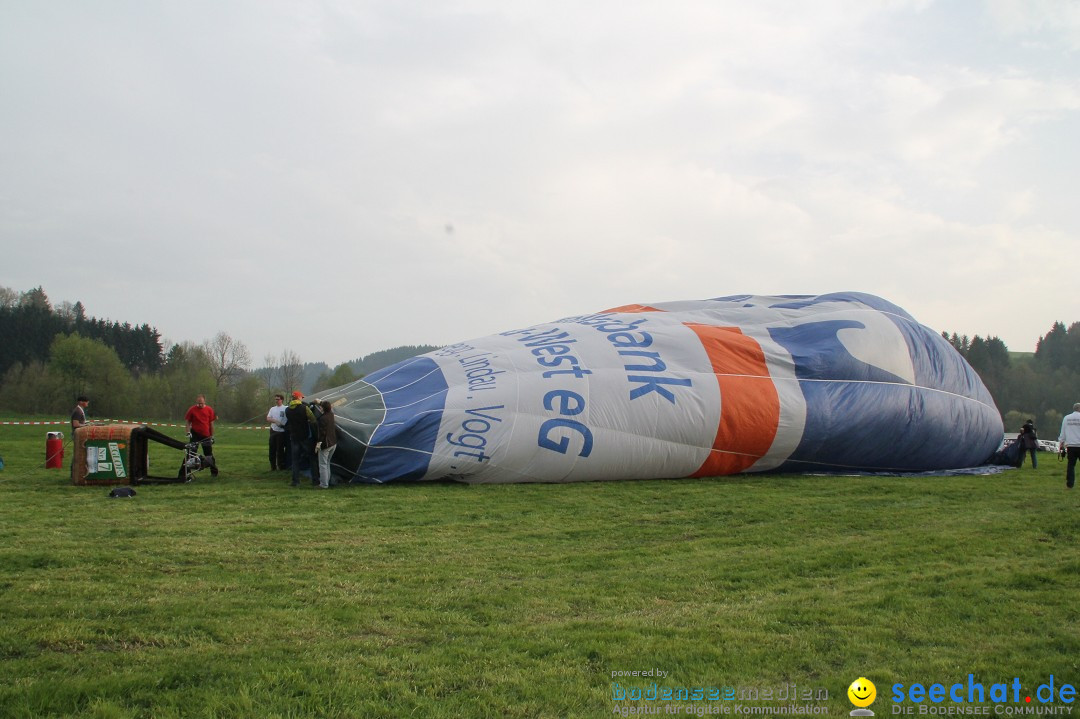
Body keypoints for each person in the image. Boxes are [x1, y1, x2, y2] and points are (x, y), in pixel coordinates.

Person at [285, 391, 318, 487]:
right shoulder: (305, 408)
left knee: (295, 460)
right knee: (312, 458)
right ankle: (315, 481)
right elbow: (313, 419)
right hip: (305, 437)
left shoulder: (287, 410)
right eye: (301, 397)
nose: (302, 399)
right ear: (299, 397)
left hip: (294, 437)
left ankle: (295, 481)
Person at [185, 394, 219, 477]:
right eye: (198, 403)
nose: (200, 405)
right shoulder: (192, 410)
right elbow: (188, 422)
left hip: (206, 435)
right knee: (191, 453)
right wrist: (188, 432)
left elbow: (211, 424)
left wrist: (212, 436)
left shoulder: (209, 410)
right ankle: (186, 473)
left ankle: (214, 472)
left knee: (209, 455)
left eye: (201, 403)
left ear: (204, 402)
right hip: (195, 434)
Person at [315, 400, 338, 489]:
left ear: (323, 408)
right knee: (327, 463)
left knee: (322, 464)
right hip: (333, 443)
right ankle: (327, 482)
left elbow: (321, 433)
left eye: (321, 407)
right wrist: (320, 402)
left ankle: (324, 484)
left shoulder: (322, 418)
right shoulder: (331, 415)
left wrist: (318, 444)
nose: (320, 408)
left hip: (326, 444)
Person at [1059, 403, 1080, 490]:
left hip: (1071, 445)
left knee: (1071, 465)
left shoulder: (1066, 418)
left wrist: (1061, 443)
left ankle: (1070, 484)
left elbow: (1063, 432)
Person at [266, 394, 289, 471]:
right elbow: (268, 418)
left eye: (278, 399)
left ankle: (281, 466)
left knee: (280, 450)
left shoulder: (286, 408)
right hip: (273, 431)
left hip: (281, 432)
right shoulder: (272, 409)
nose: (276, 401)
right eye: (275, 399)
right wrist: (275, 421)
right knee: (272, 449)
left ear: (282, 400)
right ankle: (273, 466)